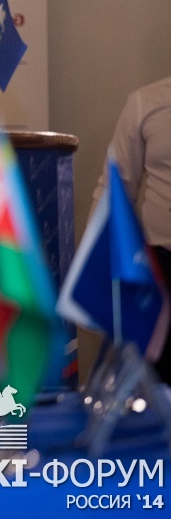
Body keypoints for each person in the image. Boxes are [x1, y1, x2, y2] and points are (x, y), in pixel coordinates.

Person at [93, 74, 171, 381]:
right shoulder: (145, 103)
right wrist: (99, 268)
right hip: (160, 273)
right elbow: (114, 192)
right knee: (156, 383)